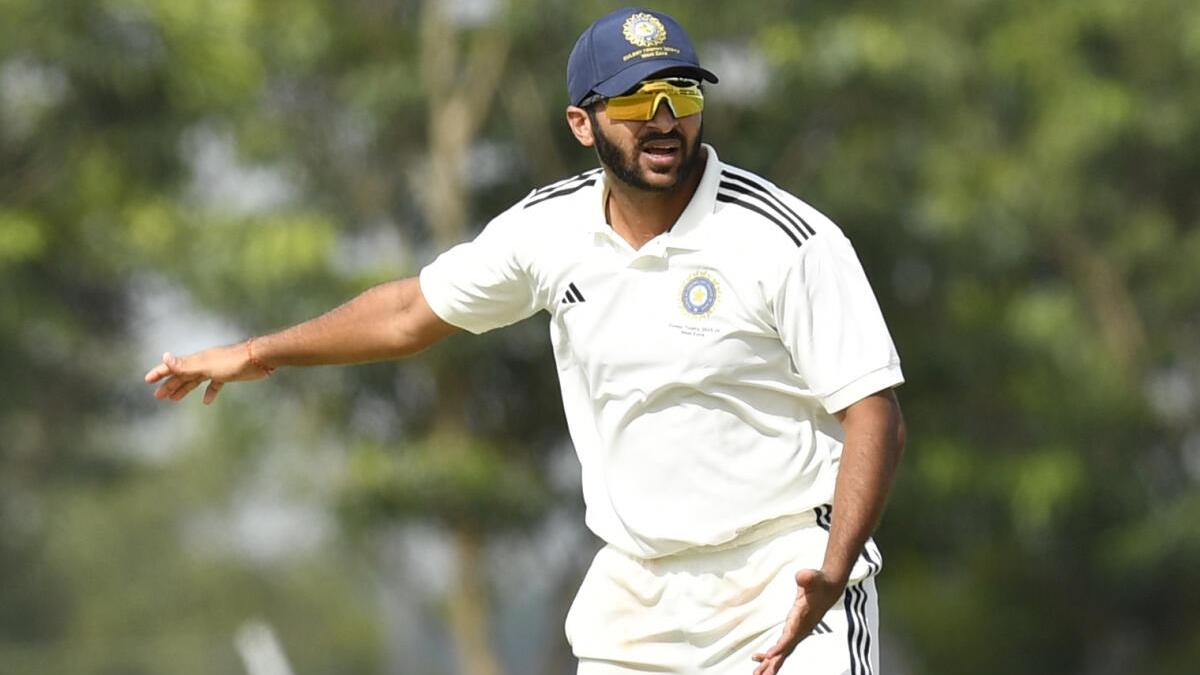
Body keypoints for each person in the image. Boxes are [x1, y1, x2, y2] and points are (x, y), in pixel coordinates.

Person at [145, 7, 906, 675]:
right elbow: (410, 312)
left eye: (683, 94)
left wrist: (834, 571)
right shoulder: (550, 229)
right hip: (639, 601)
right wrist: (257, 352)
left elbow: (874, 412)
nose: (665, 119)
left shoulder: (785, 239)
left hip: (786, 576)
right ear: (582, 123)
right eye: (636, 100)